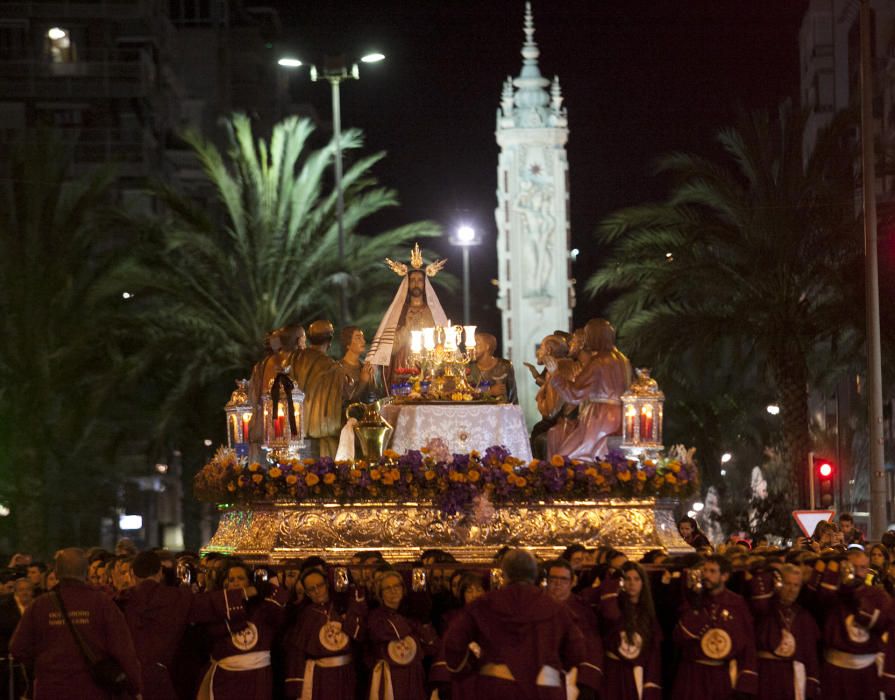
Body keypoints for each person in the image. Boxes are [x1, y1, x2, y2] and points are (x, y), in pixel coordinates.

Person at [442, 549, 600, 700]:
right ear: (535, 574)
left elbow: (453, 643)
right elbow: (577, 651)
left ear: (505, 574)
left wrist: (471, 669)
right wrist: (551, 671)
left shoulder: (484, 604)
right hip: (544, 686)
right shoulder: (556, 607)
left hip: (497, 684)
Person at [9, 547, 143, 699]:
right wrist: (135, 687)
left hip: (50, 690)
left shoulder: (39, 606)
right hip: (93, 691)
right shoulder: (102, 604)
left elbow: (17, 648)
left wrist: (43, 663)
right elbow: (123, 650)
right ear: (86, 572)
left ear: (57, 573)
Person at [195, 559, 290, 700]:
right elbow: (211, 632)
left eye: (241, 578)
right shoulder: (216, 608)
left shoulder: (263, 608)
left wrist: (265, 587)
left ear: (250, 581)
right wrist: (242, 595)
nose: (236, 582)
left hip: (258, 677)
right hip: (226, 679)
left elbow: (282, 609)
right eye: (231, 579)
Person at [671, 554, 757, 700]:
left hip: (721, 676)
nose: (706, 575)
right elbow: (679, 638)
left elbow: (747, 645)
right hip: (693, 675)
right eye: (704, 571)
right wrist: (694, 604)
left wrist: (745, 682)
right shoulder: (693, 600)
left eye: (712, 571)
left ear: (724, 576)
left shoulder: (737, 604)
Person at [545, 318, 632, 461]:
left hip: (599, 418)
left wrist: (555, 375)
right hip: (621, 415)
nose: (585, 341)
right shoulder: (623, 360)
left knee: (565, 458)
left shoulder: (598, 361)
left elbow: (574, 394)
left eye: (587, 336)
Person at [367, 244, 449, 392]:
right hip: (402, 370)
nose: (416, 283)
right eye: (413, 280)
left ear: (425, 285)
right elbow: (389, 349)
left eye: (420, 280)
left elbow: (442, 346)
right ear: (407, 284)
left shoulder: (433, 313)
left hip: (428, 372)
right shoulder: (399, 312)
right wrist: (407, 328)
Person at [809, 550, 889, 700]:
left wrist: (858, 598)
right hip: (835, 671)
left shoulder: (877, 595)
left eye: (863, 568)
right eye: (854, 567)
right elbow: (814, 601)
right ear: (845, 567)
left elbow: (884, 623)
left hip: (867, 673)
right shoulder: (832, 594)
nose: (858, 573)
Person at [116, 550, 196, 700]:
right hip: (166, 679)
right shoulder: (178, 599)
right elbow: (209, 604)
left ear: (133, 574)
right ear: (160, 572)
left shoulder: (120, 601)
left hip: (129, 681)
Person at [283, 567, 367, 699]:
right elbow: (296, 654)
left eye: (320, 585)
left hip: (347, 672)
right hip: (320, 677)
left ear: (327, 584)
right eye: (311, 589)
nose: (317, 591)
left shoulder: (343, 606)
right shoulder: (305, 615)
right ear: (307, 593)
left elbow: (361, 638)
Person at [748, 563, 820, 700]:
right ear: (779, 583)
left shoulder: (804, 616)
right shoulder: (763, 609)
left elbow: (810, 654)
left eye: (796, 585)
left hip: (792, 678)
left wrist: (812, 681)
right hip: (765, 674)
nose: (791, 590)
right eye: (787, 584)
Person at [367, 570, 438, 699]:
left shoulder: (412, 612)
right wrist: (413, 623)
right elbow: (390, 633)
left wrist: (423, 620)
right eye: (387, 588)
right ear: (380, 593)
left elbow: (431, 646)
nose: (393, 590)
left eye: (397, 586)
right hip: (392, 676)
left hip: (414, 674)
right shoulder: (376, 616)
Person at [597, 561, 662, 700]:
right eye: (627, 579)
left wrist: (650, 683)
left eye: (636, 579)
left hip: (635, 672)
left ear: (643, 583)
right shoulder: (614, 607)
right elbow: (610, 617)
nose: (632, 583)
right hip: (612, 671)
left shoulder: (647, 614)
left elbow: (652, 651)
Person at [543, 559, 604, 697]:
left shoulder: (583, 609)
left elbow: (593, 645)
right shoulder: (537, 605)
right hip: (544, 671)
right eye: (553, 578)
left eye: (563, 579)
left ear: (572, 582)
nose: (558, 583)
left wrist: (588, 680)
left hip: (575, 676)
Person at [291, 320, 350, 457]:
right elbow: (346, 396)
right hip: (323, 436)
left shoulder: (294, 360)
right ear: (329, 340)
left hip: (295, 434)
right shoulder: (333, 369)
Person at [469, 332, 517, 403]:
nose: (472, 348)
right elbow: (465, 394)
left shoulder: (504, 366)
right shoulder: (469, 367)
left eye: (476, 344)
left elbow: (513, 394)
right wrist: (490, 392)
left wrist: (514, 411)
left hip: (501, 411)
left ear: (487, 347)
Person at [339, 325, 376, 401]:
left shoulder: (363, 366)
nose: (364, 341)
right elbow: (346, 400)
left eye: (363, 337)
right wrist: (363, 381)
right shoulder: (340, 369)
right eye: (358, 338)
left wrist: (372, 379)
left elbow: (372, 395)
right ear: (348, 344)